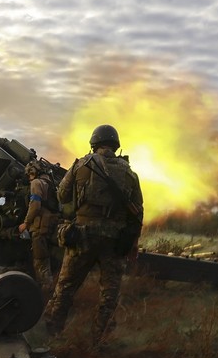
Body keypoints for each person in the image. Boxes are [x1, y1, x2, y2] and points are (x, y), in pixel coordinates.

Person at [43, 124, 143, 346]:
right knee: (109, 296)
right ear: (116, 146)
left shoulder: (81, 165)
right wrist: (133, 242)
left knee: (66, 288)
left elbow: (62, 194)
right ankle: (99, 341)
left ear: (94, 143)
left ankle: (52, 334)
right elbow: (137, 212)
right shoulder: (129, 173)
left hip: (82, 237)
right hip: (114, 243)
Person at [18, 160, 58, 291]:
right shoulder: (50, 183)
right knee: (47, 256)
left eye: (29, 175)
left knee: (40, 259)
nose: (29, 178)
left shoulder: (36, 183)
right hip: (50, 223)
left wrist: (26, 223)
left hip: (40, 224)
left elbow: (35, 205)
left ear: (33, 172)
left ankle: (46, 290)